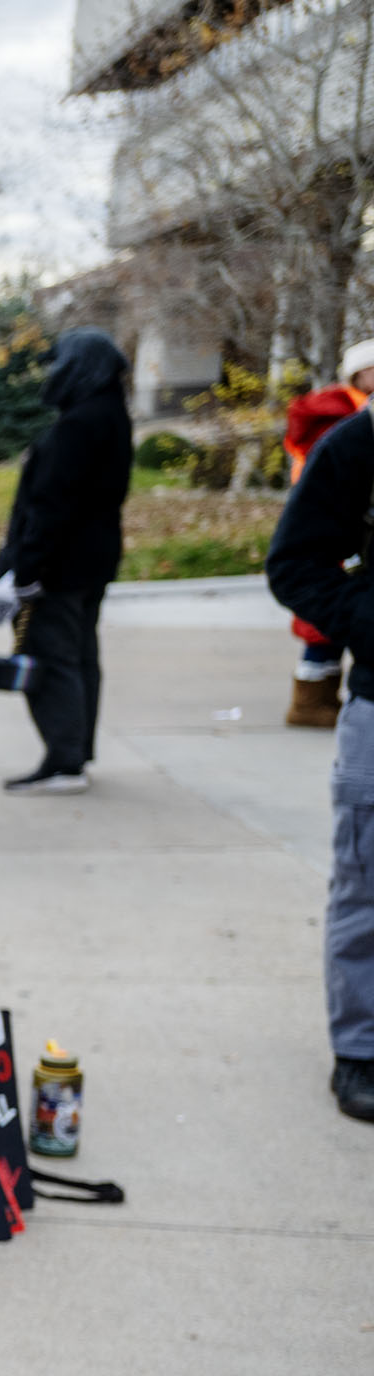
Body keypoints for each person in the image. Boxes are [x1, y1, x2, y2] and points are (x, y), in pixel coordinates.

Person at [262, 389, 374, 1120]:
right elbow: (295, 562)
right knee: (367, 883)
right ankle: (361, 1050)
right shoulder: (356, 446)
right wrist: (365, 621)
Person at [0, 328, 134, 794]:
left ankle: (64, 759)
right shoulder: (110, 415)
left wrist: (28, 571)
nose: (54, 373)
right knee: (79, 655)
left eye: (61, 363)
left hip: (60, 565)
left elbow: (52, 506)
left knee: (53, 657)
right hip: (91, 561)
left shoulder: (79, 425)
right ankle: (74, 753)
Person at [279, 340, 373, 727]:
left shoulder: (341, 410)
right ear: (358, 374)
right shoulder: (347, 419)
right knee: (324, 624)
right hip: (335, 528)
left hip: (331, 525)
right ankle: (310, 702)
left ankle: (316, 697)